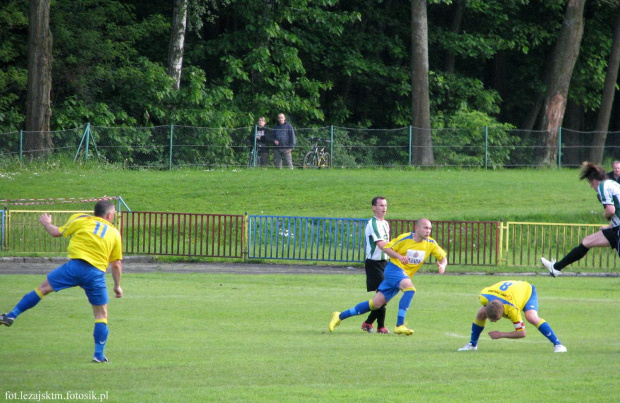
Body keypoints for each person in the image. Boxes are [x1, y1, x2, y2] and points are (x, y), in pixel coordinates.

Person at [0, 201, 123, 363]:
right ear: (109, 215)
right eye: (114, 213)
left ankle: (11, 315)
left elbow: (55, 232)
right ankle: (98, 355)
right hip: (95, 273)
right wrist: (117, 286)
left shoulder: (80, 219)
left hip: (74, 267)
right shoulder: (114, 233)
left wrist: (47, 223)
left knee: (42, 289)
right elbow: (116, 264)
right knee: (101, 314)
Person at [329, 218, 447, 335]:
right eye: (425, 227)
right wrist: (399, 257)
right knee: (410, 290)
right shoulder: (405, 238)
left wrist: (443, 265)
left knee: (375, 304)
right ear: (417, 228)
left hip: (403, 275)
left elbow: (443, 258)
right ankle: (400, 325)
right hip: (394, 269)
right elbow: (386, 248)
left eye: (430, 228)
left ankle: (339, 315)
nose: (428, 231)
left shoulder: (431, 243)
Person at [541, 162, 620, 277]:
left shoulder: (603, 186)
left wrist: (605, 215)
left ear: (593, 181)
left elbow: (611, 210)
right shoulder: (613, 184)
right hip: (616, 227)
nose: (591, 187)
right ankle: (556, 268)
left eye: (590, 183)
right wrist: (609, 226)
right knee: (587, 241)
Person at [457, 280, 567, 353]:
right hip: (510, 292)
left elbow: (522, 333)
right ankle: (472, 345)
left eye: (496, 320)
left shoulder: (512, 310)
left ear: (504, 313)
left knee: (531, 317)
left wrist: (501, 334)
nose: (494, 322)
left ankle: (558, 344)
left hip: (527, 291)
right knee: (481, 313)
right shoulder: (483, 296)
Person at [361, 196, 390, 334]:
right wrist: (397, 253)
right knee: (382, 295)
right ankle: (380, 326)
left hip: (384, 263)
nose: (384, 208)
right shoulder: (373, 223)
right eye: (380, 205)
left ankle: (369, 323)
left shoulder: (385, 223)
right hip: (374, 264)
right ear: (374, 207)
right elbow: (381, 244)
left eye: (385, 205)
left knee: (384, 296)